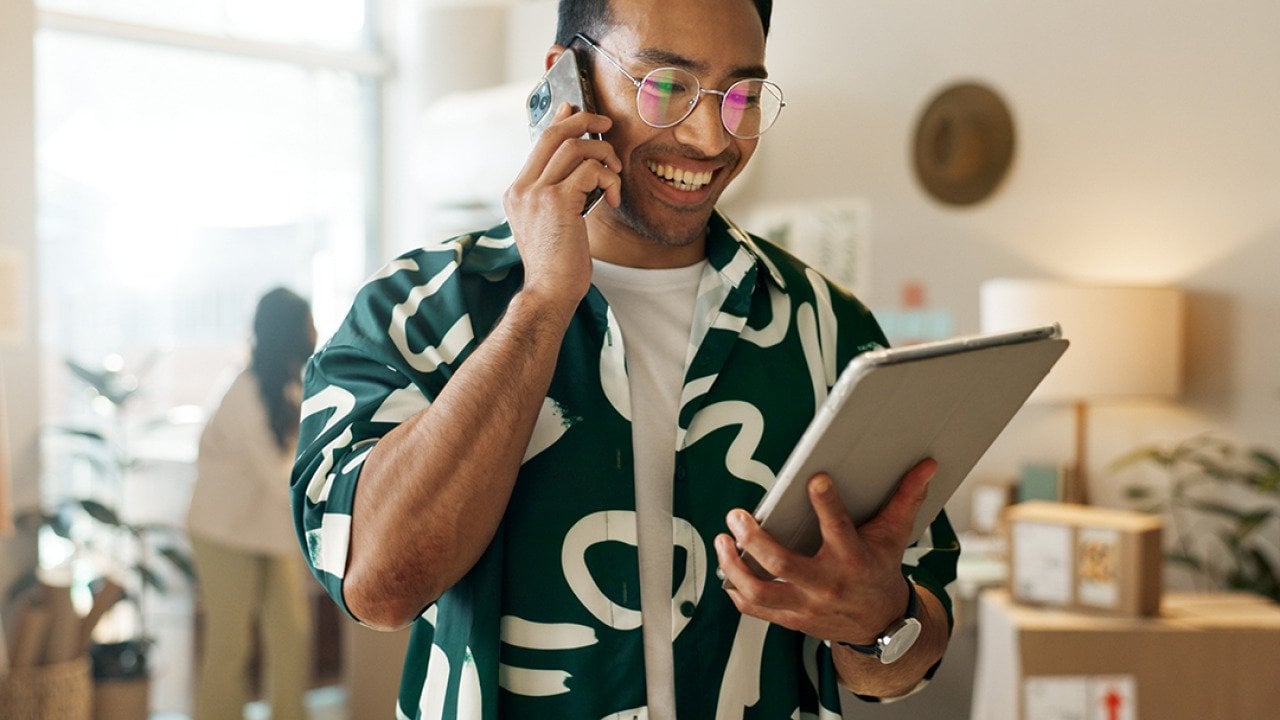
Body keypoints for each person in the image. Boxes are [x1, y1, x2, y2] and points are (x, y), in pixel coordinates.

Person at [291, 0, 959, 717]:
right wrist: (542, 305)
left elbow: (909, 657)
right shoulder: (418, 309)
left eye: (741, 95)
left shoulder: (829, 327)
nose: (711, 137)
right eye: (666, 86)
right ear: (567, 78)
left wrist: (879, 623)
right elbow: (377, 587)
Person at [189, 287, 317, 720]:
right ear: (288, 331)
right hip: (223, 532)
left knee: (292, 636)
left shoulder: (294, 387)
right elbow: (279, 477)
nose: (315, 332)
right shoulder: (243, 391)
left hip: (270, 530)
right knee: (231, 646)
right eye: (308, 323)